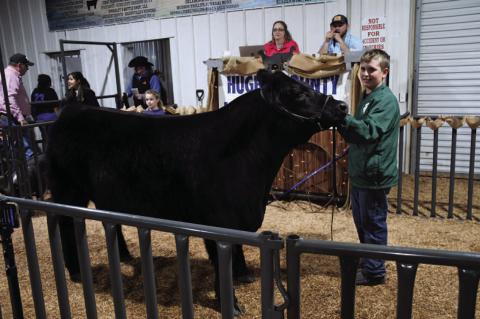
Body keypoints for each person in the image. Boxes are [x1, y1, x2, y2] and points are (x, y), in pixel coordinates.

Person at [338, 49, 400, 286]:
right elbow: (358, 132)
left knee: (373, 223)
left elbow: (367, 131)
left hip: (375, 174)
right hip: (363, 173)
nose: (365, 74)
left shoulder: (384, 101)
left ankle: (374, 272)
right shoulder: (369, 97)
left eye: (371, 69)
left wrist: (342, 119)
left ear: (384, 72)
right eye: (363, 69)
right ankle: (369, 261)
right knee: (363, 222)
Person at [0, 53, 35, 159]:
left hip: (12, 116)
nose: (28, 69)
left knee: (20, 147)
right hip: (12, 117)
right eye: (26, 66)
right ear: (19, 65)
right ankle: (30, 172)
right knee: (27, 149)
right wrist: (20, 117)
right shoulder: (11, 75)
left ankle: (22, 172)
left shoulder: (10, 74)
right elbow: (10, 98)